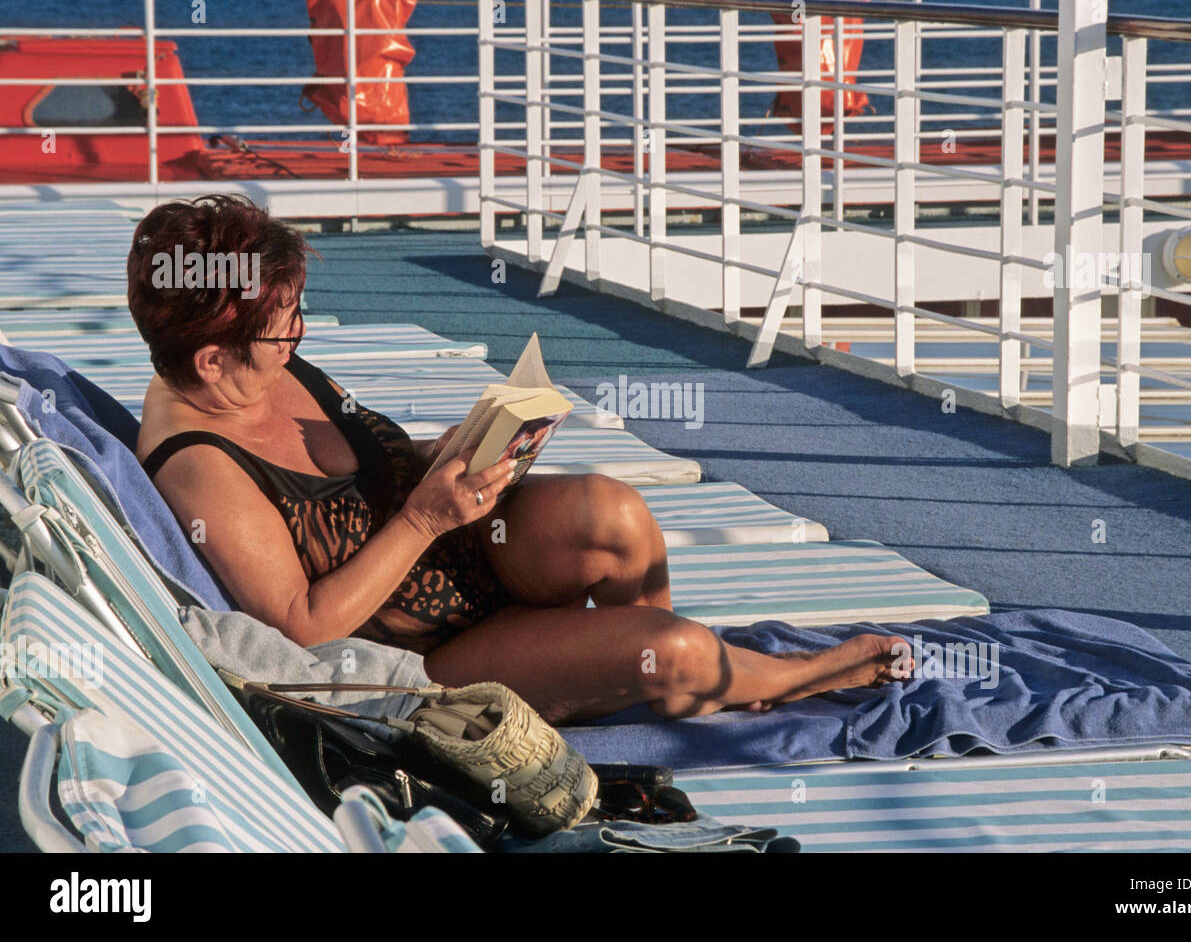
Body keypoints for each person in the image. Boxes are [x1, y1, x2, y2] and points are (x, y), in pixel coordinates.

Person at [128, 195, 912, 725]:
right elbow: (301, 629)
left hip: (461, 550)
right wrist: (426, 516)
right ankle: (759, 679)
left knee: (615, 514)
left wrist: (477, 441)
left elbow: (370, 461)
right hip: (429, 650)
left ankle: (689, 679)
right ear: (209, 360)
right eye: (282, 326)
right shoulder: (203, 467)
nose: (299, 333)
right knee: (668, 649)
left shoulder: (264, 366)